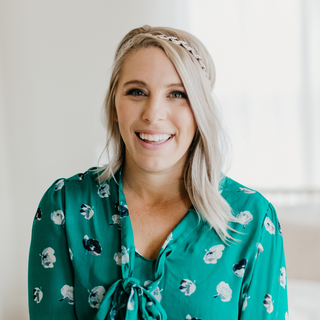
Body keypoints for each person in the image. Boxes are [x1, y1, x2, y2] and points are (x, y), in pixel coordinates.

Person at [28, 25, 289, 320]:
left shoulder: (252, 218)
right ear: (115, 105)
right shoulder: (64, 205)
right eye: (137, 92)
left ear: (200, 110)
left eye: (177, 94)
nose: (153, 114)